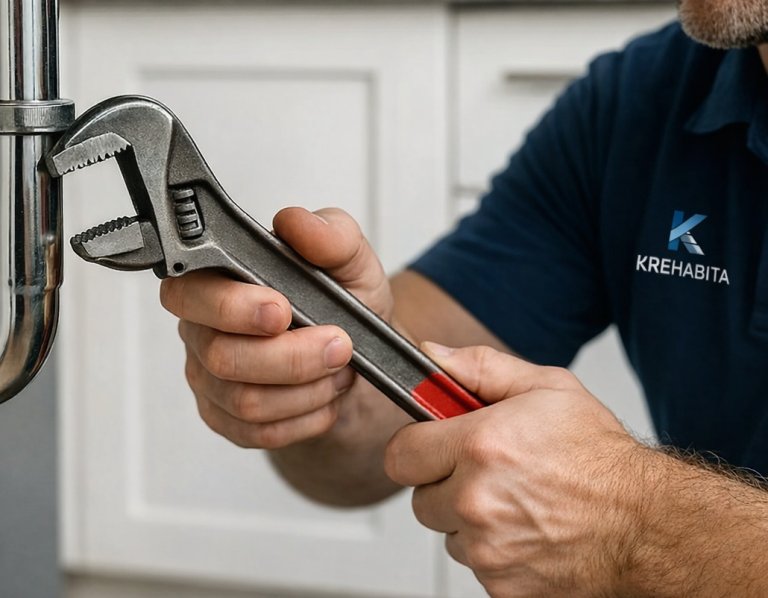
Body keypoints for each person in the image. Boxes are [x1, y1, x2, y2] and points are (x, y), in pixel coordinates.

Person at [159, 0, 768, 594]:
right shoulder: (638, 99)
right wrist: (327, 374)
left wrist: (634, 526)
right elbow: (368, 447)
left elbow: (632, 525)